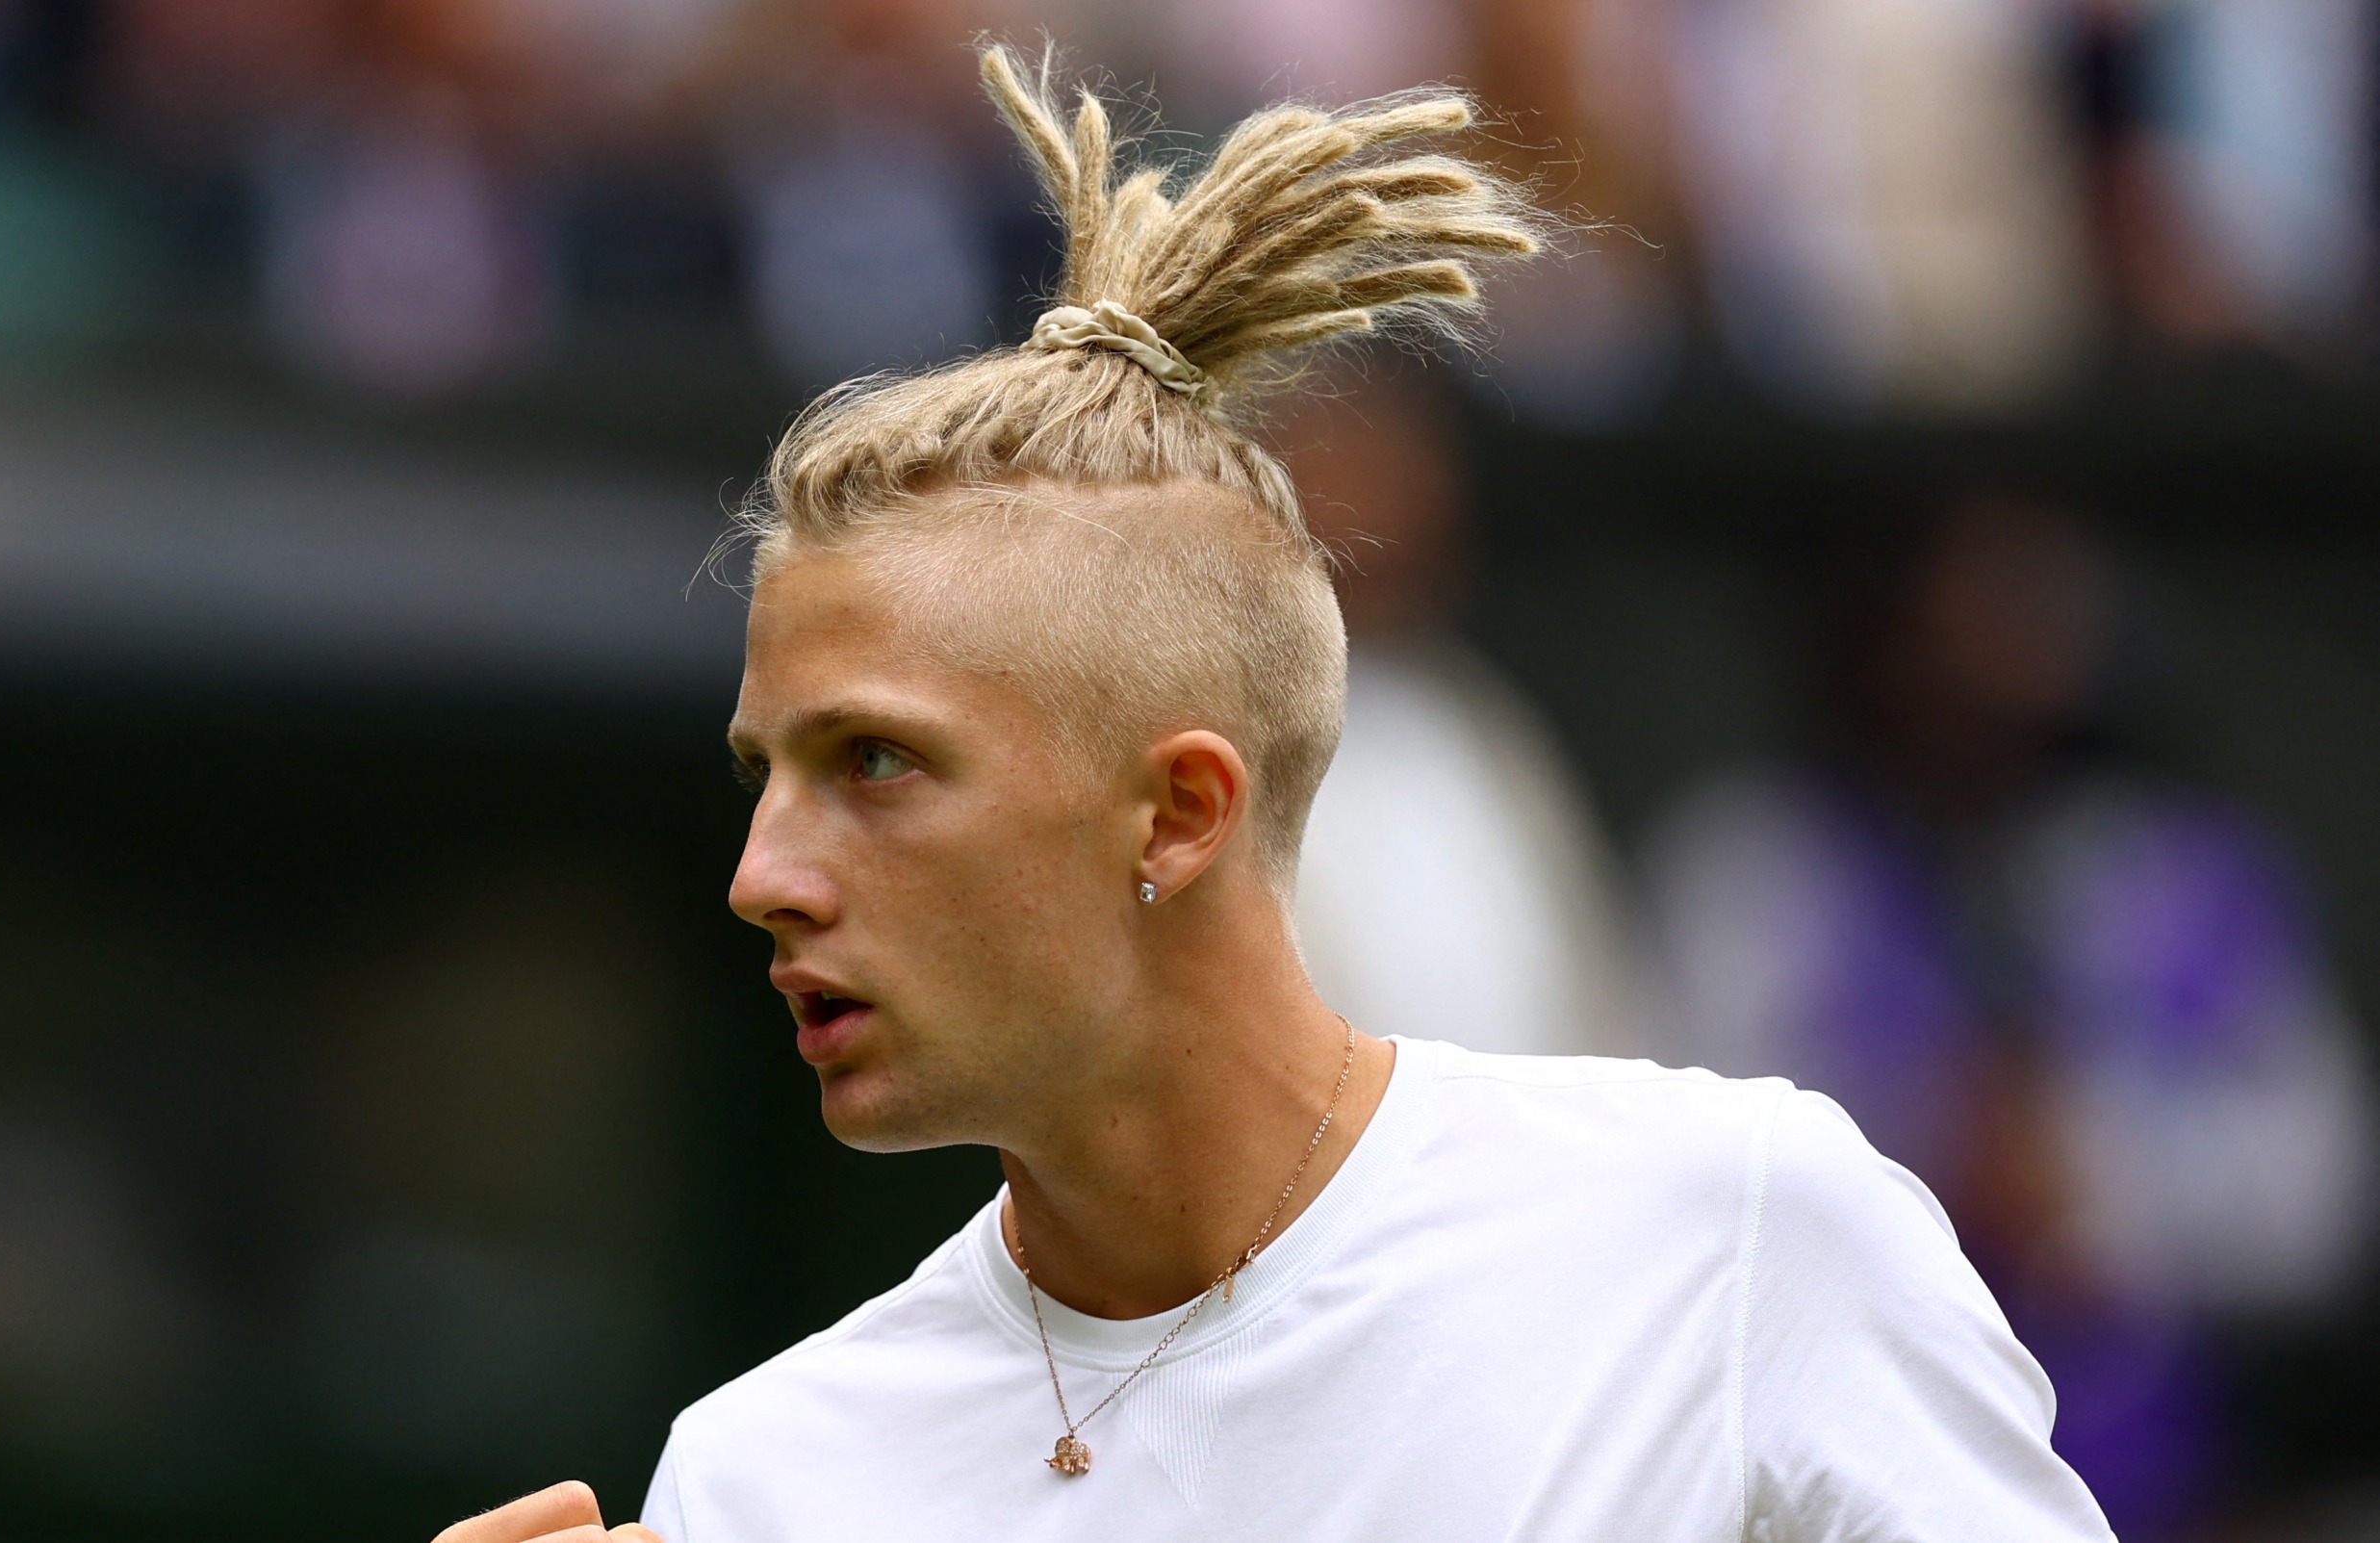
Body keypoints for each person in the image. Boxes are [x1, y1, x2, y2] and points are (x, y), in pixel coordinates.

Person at [435, 46, 2114, 1542]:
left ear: (1175, 812)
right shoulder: (760, 1481)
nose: (762, 873)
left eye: (873, 762)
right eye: (765, 773)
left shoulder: (1735, 1229)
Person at [1644, 491, 2369, 1540]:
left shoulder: (2187, 875)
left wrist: (2100, 1173)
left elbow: (2318, 1186)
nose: (1989, 672)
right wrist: (1933, 1149)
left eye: (2030, 622)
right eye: (1953, 630)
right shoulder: (1755, 874)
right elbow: (1686, 1161)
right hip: (1842, 1459)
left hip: (2175, 1466)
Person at [1279, 375, 1645, 1059]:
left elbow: (1601, 989)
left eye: (1410, 471)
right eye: (1348, 468)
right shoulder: (1228, 730)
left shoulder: (1481, 722)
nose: (1389, 511)